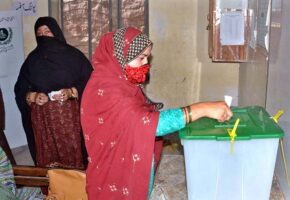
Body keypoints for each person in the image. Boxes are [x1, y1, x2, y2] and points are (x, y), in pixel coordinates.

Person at [80, 27, 232, 200]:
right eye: (141, 58)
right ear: (120, 57)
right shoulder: (108, 90)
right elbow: (150, 124)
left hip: (122, 169)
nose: (146, 65)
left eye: (148, 58)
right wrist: (202, 108)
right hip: (112, 179)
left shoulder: (121, 82)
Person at [14, 16, 93, 169]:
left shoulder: (74, 56)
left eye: (47, 31)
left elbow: (90, 80)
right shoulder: (32, 60)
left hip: (71, 122)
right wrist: (33, 96)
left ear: (56, 33)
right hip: (44, 123)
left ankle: (77, 186)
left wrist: (72, 92)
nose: (43, 36)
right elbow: (21, 87)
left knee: (75, 159)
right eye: (39, 33)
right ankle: (55, 189)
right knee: (50, 163)